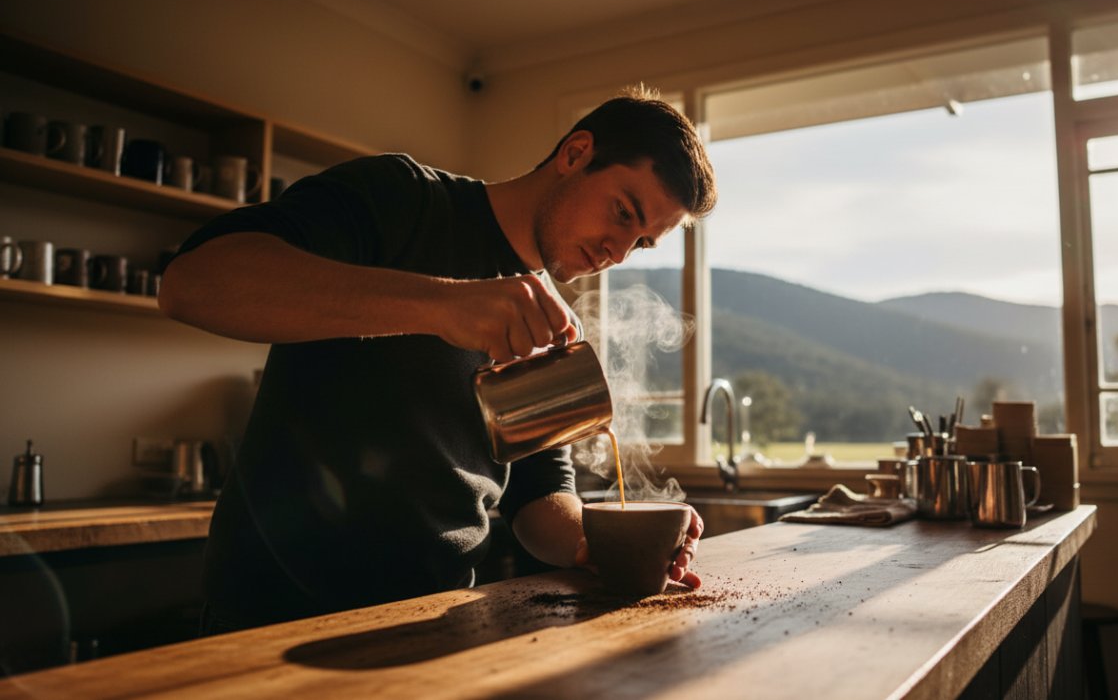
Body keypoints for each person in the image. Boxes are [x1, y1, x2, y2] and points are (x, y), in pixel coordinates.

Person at [159, 87, 718, 633]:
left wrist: (596, 545)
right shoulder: (404, 199)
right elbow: (192, 283)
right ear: (575, 154)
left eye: (641, 243)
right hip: (273, 614)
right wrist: (444, 305)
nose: (617, 253)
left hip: (430, 617)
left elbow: (539, 494)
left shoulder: (543, 319)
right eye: (623, 213)